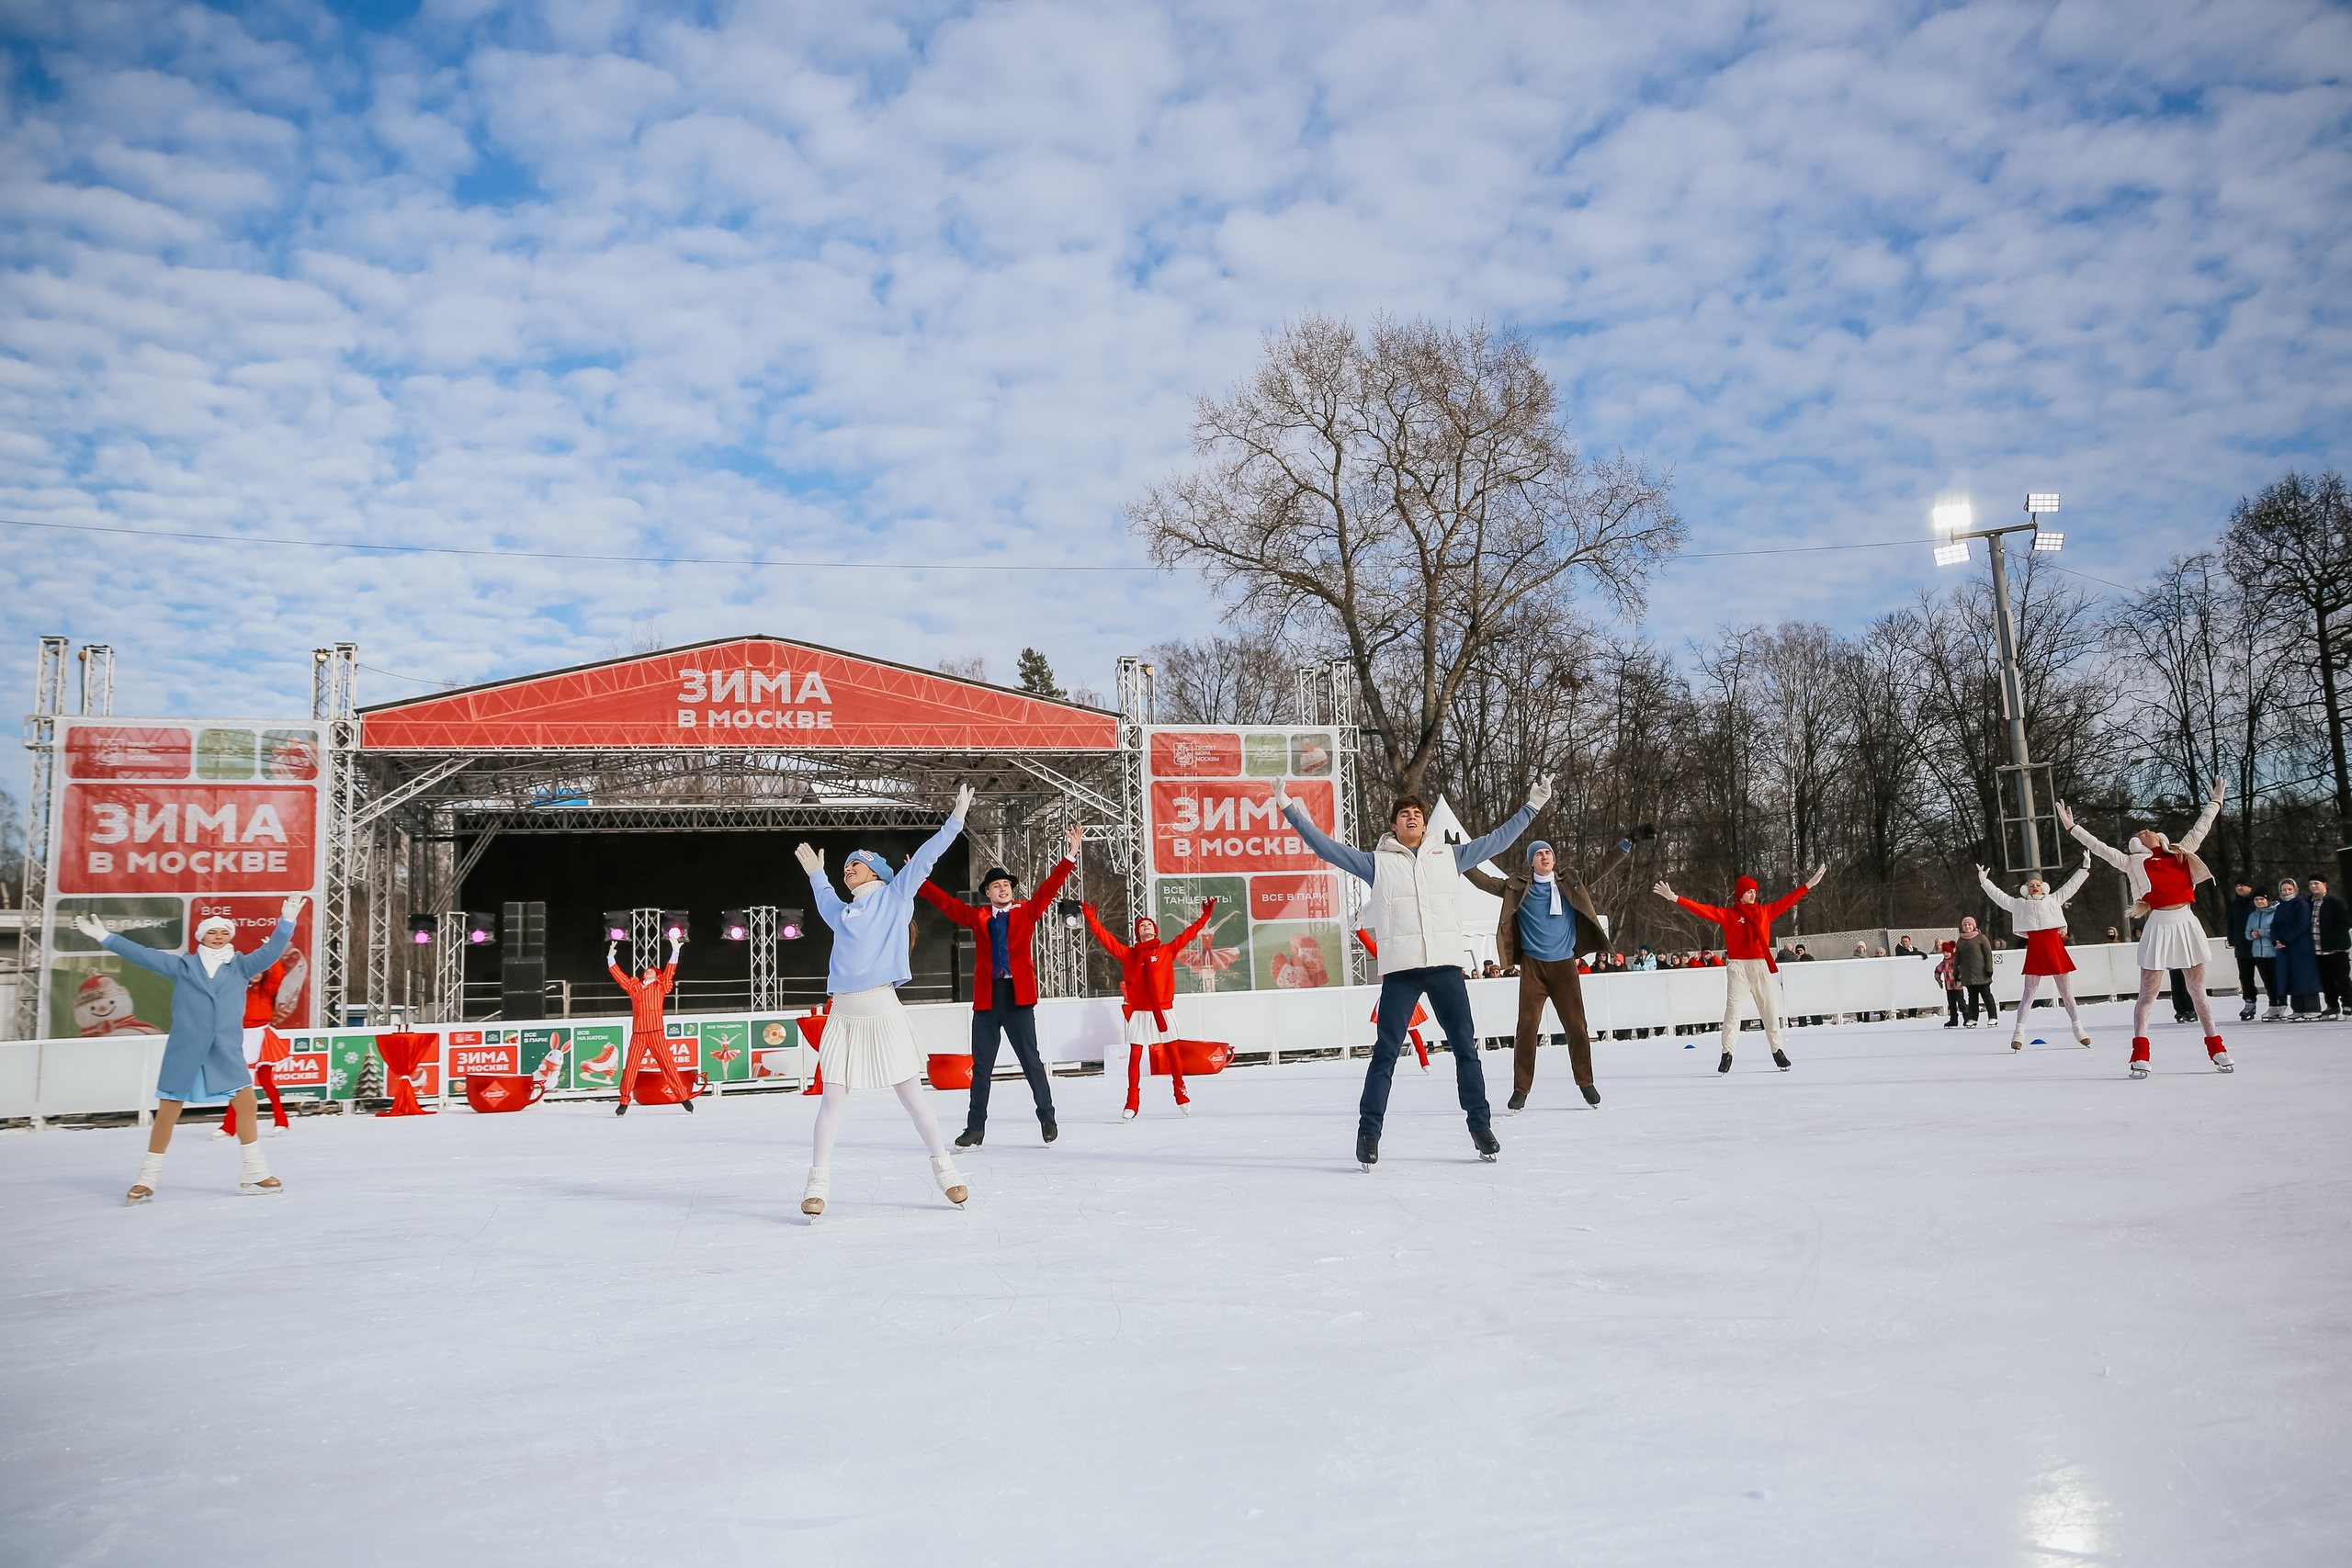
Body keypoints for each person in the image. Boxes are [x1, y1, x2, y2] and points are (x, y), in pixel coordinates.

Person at [1279, 780, 1544, 1169]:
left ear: (1424, 825)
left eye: (1418, 814)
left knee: (1466, 1049)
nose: (1413, 818)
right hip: (1401, 972)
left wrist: (1532, 807)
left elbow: (1497, 840)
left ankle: (1481, 1126)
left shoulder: (1449, 856)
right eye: (1405, 815)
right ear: (1394, 826)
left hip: (1445, 968)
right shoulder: (1377, 862)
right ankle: (1368, 1134)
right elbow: (1326, 848)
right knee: (1385, 1053)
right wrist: (1288, 807)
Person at [795, 784, 977, 1216]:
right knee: (832, 1098)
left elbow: (929, 855)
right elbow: (824, 900)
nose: (846, 871)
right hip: (844, 1014)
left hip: (883, 1009)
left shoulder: (896, 898)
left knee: (912, 1096)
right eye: (844, 868)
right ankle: (817, 1185)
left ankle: (947, 1172)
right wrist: (817, 875)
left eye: (853, 865)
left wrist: (956, 819)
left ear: (875, 870)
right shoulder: (843, 913)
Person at [75, 897, 303, 1203]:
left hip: (224, 1049)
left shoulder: (241, 966)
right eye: (213, 931)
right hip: (186, 1049)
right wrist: (105, 937)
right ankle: (147, 1178)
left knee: (246, 1103)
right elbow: (142, 955)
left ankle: (255, 1170)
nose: (219, 936)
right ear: (201, 937)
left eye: (224, 931)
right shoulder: (182, 966)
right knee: (168, 1111)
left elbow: (271, 951)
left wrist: (286, 922)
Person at [917, 822, 1082, 1147]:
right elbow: (947, 904)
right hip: (988, 1000)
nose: (1003, 888)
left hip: (1018, 998)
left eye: (1006, 884)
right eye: (996, 885)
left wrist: (1071, 854)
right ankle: (975, 1128)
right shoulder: (979, 917)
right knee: (981, 1068)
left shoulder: (1026, 911)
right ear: (988, 893)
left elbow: (1050, 888)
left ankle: (1047, 1116)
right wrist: (918, 880)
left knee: (1031, 1061)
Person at [2059, 778, 2232, 1077]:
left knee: (2198, 992)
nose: (2146, 830)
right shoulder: (2132, 862)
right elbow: (2100, 848)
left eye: (2148, 829)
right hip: (2159, 926)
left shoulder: (2180, 852)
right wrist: (2074, 829)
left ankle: (2217, 1048)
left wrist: (2215, 801)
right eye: (2142, 832)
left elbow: (2200, 829)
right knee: (2147, 995)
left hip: (2187, 924)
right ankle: (2140, 1054)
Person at [1464, 839, 1609, 1113]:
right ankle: (1521, 1089)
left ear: (1554, 860)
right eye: (1538, 854)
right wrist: (1462, 859)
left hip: (1565, 966)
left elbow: (1600, 868)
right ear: (1531, 862)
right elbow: (1484, 882)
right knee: (1526, 1029)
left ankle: (1586, 1082)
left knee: (1577, 1027)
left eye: (1548, 853)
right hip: (1533, 968)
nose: (1544, 857)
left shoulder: (1569, 883)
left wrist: (1626, 844)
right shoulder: (1518, 888)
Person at [1650, 866, 1826, 1073]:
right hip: (1738, 967)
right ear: (1740, 893)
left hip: (1760, 965)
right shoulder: (1729, 915)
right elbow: (1702, 909)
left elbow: (1789, 900)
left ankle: (1777, 1051)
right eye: (1749, 891)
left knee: (1770, 1011)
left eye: (1754, 891)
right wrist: (1675, 898)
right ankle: (1727, 1053)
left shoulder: (1764, 912)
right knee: (1733, 1012)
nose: (1752, 894)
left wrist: (1808, 885)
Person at [1082, 899, 1219, 1120]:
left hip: (1163, 1010)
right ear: (1137, 933)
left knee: (1172, 1052)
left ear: (1155, 931)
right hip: (1140, 1011)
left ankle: (1180, 1090)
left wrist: (1205, 917)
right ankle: (1132, 1100)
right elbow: (1106, 939)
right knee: (1135, 1056)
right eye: (1142, 925)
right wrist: (1091, 918)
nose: (1145, 926)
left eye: (1149, 924)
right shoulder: (1130, 955)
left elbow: (1190, 934)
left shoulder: (1167, 950)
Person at [1977, 856, 2095, 1049]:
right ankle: (2019, 1032)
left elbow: (2070, 886)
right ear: (2025, 889)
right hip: (2036, 949)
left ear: (2043, 887)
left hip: (2055, 948)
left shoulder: (2053, 899)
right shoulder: (2019, 905)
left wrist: (2084, 869)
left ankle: (2078, 1028)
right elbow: (1999, 897)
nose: (2034, 886)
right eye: (2031, 885)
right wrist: (1985, 882)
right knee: (2028, 994)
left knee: (2066, 992)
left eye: (2037, 884)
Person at [607, 930, 692, 1115]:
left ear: (657, 976)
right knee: (630, 1067)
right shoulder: (634, 986)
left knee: (667, 1065)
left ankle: (683, 1097)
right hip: (639, 1033)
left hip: (655, 1032)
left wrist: (675, 951)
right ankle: (624, 1101)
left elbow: (669, 972)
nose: (649, 972)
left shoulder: (660, 987)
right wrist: (611, 959)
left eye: (652, 971)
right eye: (647, 971)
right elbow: (620, 977)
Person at [2269, 878, 2321, 1018]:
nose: (2287, 892)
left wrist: (2286, 939)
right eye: (2284, 890)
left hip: (2301, 947)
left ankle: (2313, 1007)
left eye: (2289, 890)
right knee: (2291, 977)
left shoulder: (2301, 904)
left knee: (2305, 977)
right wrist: (2276, 940)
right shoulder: (2280, 906)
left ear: (2295, 890)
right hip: (2286, 949)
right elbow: (2274, 926)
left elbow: (2302, 925)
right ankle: (2298, 1009)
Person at [2311, 876, 2350, 1021]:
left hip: (2336, 949)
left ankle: (2348, 1004)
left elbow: (2344, 924)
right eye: (2311, 884)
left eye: (2316, 883)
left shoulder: (2335, 902)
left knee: (2342, 978)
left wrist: (2333, 941)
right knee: (2326, 981)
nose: (2313, 886)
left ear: (2324, 885)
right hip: (2318, 950)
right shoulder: (2310, 903)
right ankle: (2332, 1005)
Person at [2226, 882, 2261, 1021]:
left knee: (2268, 976)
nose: (2239, 888)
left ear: (2250, 887)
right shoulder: (2234, 904)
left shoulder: (2257, 902)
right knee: (2246, 977)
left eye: (2243, 885)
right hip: (2242, 947)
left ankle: (2275, 1002)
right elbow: (2231, 923)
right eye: (2237, 885)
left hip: (2259, 945)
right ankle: (2249, 1002)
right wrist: (2232, 939)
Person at [1951, 918, 1996, 1027]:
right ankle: (1973, 1018)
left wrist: (1989, 968)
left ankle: (1993, 1017)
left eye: (1969, 925)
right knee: (1972, 997)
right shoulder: (1961, 940)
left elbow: (1988, 954)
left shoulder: (1981, 938)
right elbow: (1957, 958)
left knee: (1986, 995)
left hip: (1981, 972)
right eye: (1965, 925)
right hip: (1968, 974)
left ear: (1973, 926)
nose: (1967, 927)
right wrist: (1956, 972)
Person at [2246, 894, 2279, 1019]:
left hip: (2273, 952)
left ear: (2267, 900)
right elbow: (2247, 932)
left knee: (2277, 981)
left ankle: (2282, 1005)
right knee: (2268, 982)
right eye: (2256, 899)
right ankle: (2272, 1006)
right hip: (2258, 953)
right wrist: (2251, 934)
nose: (2259, 902)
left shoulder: (2275, 913)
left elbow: (2277, 930)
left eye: (2262, 899)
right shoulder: (2253, 916)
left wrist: (2263, 932)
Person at [1935, 940, 1962, 1026]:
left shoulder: (1955, 961)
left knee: (1961, 1004)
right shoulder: (1943, 963)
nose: (1946, 954)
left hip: (1957, 987)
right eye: (1944, 952)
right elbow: (1937, 970)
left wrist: (1959, 980)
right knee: (1951, 1005)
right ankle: (1953, 1020)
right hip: (1949, 988)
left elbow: (1961, 971)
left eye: (1948, 952)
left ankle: (1967, 1018)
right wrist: (1938, 979)